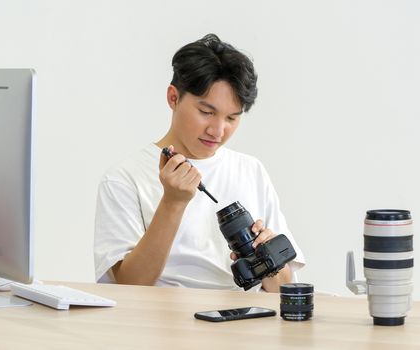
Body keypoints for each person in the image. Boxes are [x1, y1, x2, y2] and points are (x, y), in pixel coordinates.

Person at [94, 34, 305, 292]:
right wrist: (173, 202)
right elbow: (129, 286)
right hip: (161, 323)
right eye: (206, 112)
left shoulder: (251, 170)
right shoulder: (124, 178)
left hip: (246, 319)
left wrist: (267, 257)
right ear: (173, 98)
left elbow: (282, 289)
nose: (218, 131)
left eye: (231, 118)